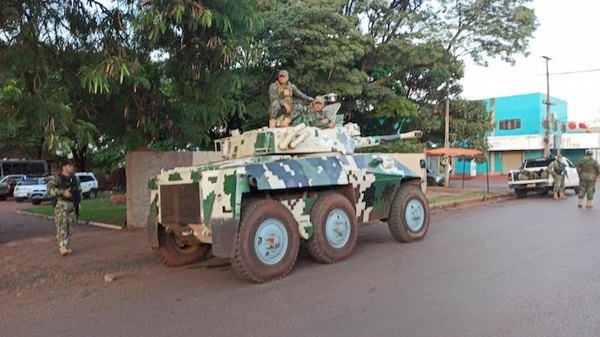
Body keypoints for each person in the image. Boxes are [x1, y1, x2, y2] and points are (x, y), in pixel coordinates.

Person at [47, 159, 81, 256]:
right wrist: (62, 192)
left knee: (70, 226)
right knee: (62, 226)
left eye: (72, 166)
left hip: (72, 205)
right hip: (61, 205)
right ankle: (62, 246)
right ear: (64, 167)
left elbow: (78, 190)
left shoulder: (75, 179)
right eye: (70, 166)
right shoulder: (57, 178)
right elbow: (49, 189)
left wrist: (78, 202)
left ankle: (67, 245)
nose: (72, 168)